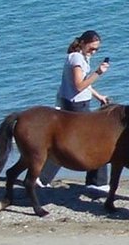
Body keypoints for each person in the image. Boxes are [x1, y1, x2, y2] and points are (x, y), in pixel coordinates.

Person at [40, 30, 112, 188]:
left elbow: (83, 83)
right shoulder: (77, 59)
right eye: (92, 48)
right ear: (83, 43)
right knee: (97, 140)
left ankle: (42, 178)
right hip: (76, 105)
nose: (94, 52)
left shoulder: (81, 57)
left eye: (97, 49)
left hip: (77, 103)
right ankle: (97, 182)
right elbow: (79, 85)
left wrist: (98, 96)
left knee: (66, 143)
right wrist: (99, 72)